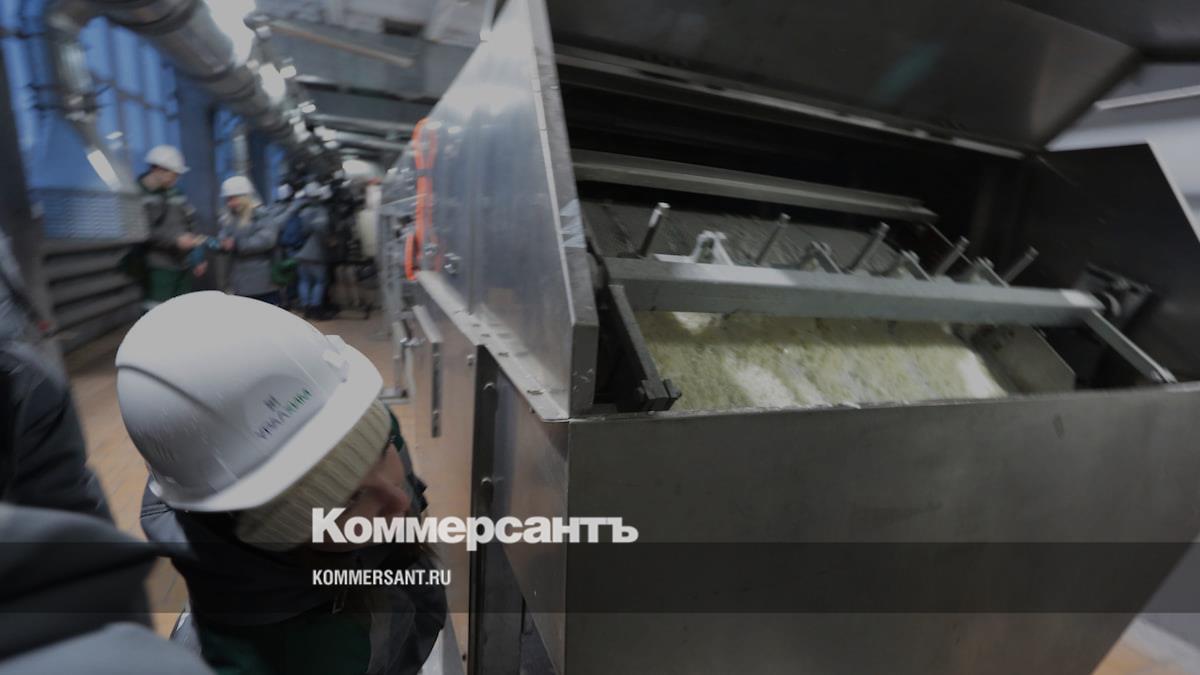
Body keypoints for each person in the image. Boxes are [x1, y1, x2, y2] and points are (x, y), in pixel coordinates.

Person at [116, 292, 445, 675]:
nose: (399, 501)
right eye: (347, 500)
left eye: (382, 447)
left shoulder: (346, 417)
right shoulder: (272, 656)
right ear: (275, 534)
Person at [139, 145, 204, 307]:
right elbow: (142, 231)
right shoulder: (137, 195)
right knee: (157, 311)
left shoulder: (176, 193)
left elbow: (191, 223)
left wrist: (197, 257)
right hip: (158, 267)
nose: (176, 179)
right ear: (157, 169)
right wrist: (175, 241)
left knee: (180, 310)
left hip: (182, 265)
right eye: (173, 174)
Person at [217, 176, 280, 305]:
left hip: (261, 280)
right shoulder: (230, 218)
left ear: (244, 197)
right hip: (239, 280)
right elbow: (223, 235)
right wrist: (221, 244)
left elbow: (267, 239)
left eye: (232, 199)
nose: (229, 203)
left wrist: (238, 244)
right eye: (228, 199)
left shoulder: (262, 215)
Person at [294, 181, 333, 320]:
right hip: (316, 253)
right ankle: (316, 308)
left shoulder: (301, 212)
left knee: (304, 281)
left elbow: (302, 231)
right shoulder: (321, 211)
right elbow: (321, 229)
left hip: (300, 253)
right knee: (319, 281)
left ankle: (306, 307)